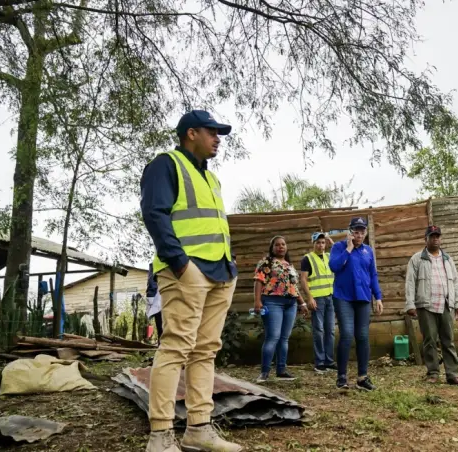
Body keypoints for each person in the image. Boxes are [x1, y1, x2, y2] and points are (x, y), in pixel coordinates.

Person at [140, 110, 241, 452]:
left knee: (205, 351)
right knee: (175, 348)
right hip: (186, 272)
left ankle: (199, 428)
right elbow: (155, 214)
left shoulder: (211, 178)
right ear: (191, 133)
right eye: (212, 132)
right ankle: (160, 436)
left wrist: (231, 265)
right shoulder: (166, 165)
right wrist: (181, 264)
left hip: (220, 273)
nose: (218, 139)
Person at [405, 225, 458, 385]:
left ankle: (453, 374)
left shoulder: (448, 259)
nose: (435, 239)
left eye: (437, 236)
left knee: (448, 340)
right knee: (430, 340)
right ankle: (433, 373)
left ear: (441, 238)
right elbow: (410, 282)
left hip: (445, 304)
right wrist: (410, 305)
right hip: (426, 305)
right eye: (432, 236)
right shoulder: (417, 259)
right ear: (426, 239)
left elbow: (455, 282)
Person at [329, 217, 384, 391]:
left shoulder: (368, 251)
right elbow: (334, 266)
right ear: (350, 232)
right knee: (346, 334)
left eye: (362, 232)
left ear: (366, 233)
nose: (359, 235)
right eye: (356, 231)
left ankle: (362, 377)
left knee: (363, 336)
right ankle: (342, 376)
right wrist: (349, 248)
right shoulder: (338, 247)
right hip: (343, 297)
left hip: (363, 298)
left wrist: (378, 297)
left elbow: (373, 275)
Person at [254, 236, 309, 383]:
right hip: (272, 302)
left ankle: (281, 370)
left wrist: (302, 303)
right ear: (272, 248)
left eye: (283, 244)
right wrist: (257, 301)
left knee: (284, 338)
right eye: (277, 245)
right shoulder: (266, 262)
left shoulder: (289, 265)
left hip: (291, 304)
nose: (281, 247)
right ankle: (264, 372)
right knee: (273, 337)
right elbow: (259, 281)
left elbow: (293, 286)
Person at [299, 232, 338, 373]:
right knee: (319, 330)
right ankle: (319, 362)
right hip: (317, 299)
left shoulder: (329, 256)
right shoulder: (307, 258)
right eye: (318, 243)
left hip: (331, 297)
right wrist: (309, 298)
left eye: (323, 242)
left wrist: (332, 242)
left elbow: (341, 254)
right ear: (313, 243)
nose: (321, 245)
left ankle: (329, 361)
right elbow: (303, 279)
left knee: (330, 330)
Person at [145, 263, 163, 344]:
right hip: (159, 300)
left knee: (161, 330)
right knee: (162, 329)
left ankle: (161, 347)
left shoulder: (154, 265)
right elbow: (151, 286)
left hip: (157, 300)